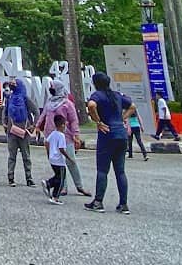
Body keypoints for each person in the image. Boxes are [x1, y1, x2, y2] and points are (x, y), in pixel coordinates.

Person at [85, 72, 132, 213]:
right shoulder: (117, 95)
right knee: (120, 171)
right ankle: (123, 204)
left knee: (102, 170)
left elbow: (91, 105)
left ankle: (98, 202)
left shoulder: (98, 95)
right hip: (121, 134)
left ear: (96, 83)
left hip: (107, 134)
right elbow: (133, 106)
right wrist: (122, 118)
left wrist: (98, 121)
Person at [34, 81, 90, 196]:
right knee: (57, 162)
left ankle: (79, 186)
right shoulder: (49, 102)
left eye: (52, 87)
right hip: (50, 136)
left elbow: (74, 120)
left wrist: (76, 135)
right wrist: (38, 127)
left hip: (66, 137)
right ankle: (62, 186)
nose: (51, 89)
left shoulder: (67, 104)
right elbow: (43, 115)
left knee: (70, 161)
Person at [2, 79, 36, 187]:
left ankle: (29, 178)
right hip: (12, 132)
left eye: (14, 84)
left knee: (26, 156)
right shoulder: (10, 98)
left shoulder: (25, 99)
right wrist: (4, 123)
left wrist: (33, 125)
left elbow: (36, 111)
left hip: (24, 132)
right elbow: (5, 112)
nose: (12, 86)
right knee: (12, 156)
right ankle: (11, 178)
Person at [43, 113, 70, 204]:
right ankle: (55, 197)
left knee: (58, 176)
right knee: (61, 179)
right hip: (59, 161)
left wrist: (49, 152)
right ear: (62, 125)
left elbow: (46, 142)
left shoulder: (53, 133)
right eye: (65, 125)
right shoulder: (61, 136)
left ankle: (49, 183)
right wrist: (68, 157)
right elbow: (61, 148)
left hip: (52, 159)